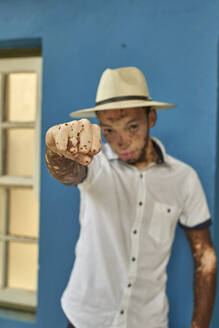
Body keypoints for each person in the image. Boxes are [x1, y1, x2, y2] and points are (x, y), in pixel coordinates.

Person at [45, 67, 217, 328]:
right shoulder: (94, 165)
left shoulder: (184, 178)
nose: (121, 141)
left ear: (152, 118)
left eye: (132, 126)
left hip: (147, 321)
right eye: (109, 130)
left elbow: (205, 257)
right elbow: (68, 173)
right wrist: (56, 150)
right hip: (87, 319)